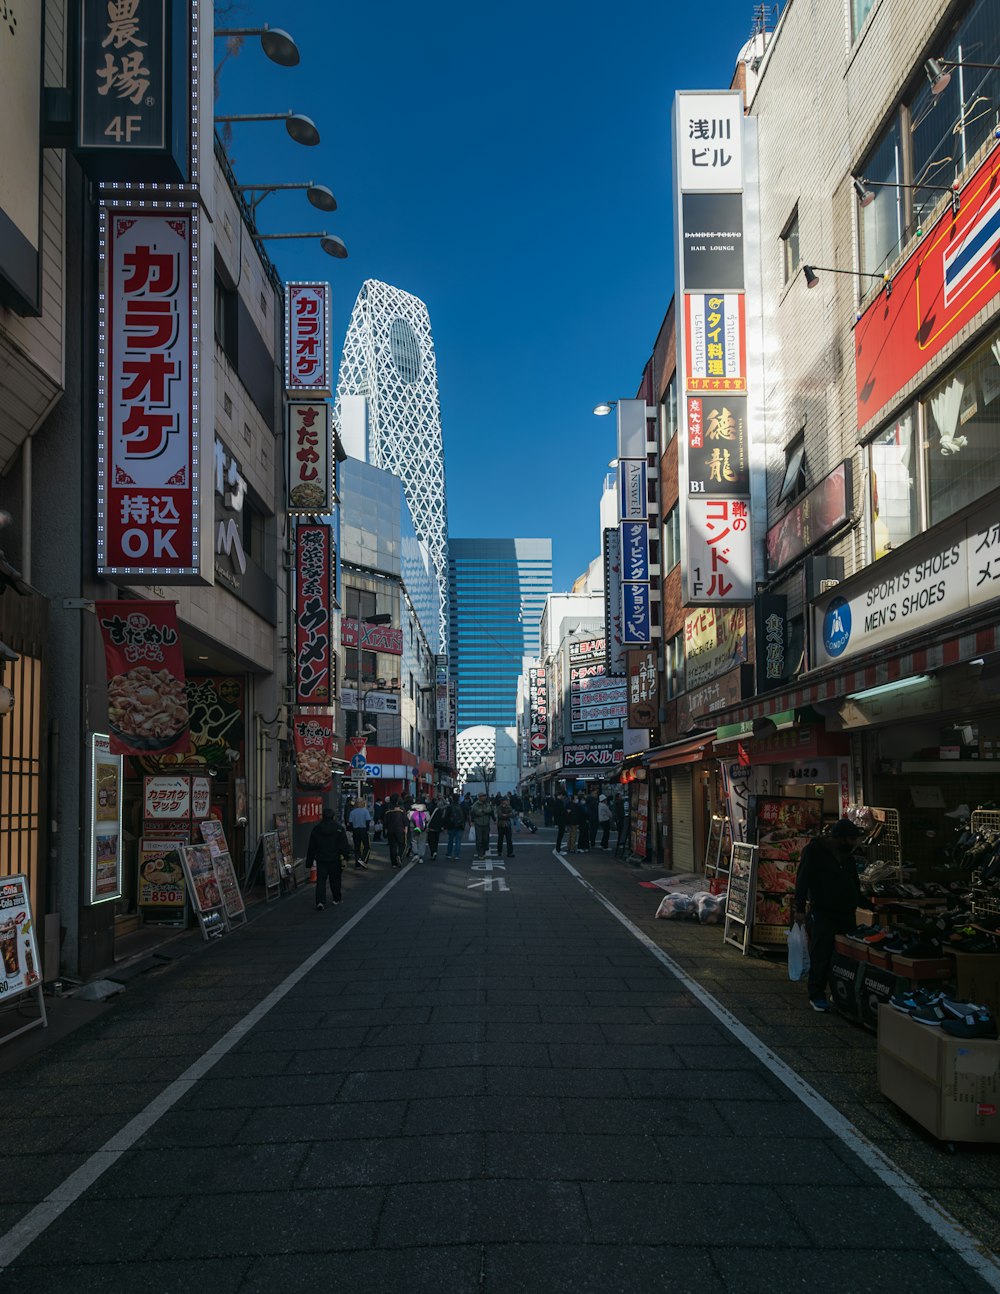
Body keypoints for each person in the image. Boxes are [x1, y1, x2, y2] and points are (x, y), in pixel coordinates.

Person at [794, 817, 865, 1012]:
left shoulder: (847, 856)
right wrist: (799, 908)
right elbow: (803, 879)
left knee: (844, 955)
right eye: (851, 839)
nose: (854, 843)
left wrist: (866, 903)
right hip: (822, 911)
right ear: (840, 838)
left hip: (846, 913)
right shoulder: (815, 851)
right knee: (821, 954)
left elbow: (854, 885)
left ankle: (839, 991)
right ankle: (816, 995)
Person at [306, 806, 352, 909]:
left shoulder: (317, 829)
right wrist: (345, 857)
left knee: (321, 881)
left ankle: (320, 901)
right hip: (335, 858)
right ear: (333, 817)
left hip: (321, 858)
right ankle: (336, 898)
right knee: (335, 880)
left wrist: (309, 862)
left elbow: (312, 846)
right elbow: (343, 845)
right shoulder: (339, 828)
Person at [384, 794, 409, 868]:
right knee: (403, 844)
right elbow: (405, 820)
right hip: (400, 829)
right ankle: (399, 856)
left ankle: (393, 863)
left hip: (390, 830)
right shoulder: (401, 810)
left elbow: (385, 822)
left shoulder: (388, 810)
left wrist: (385, 829)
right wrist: (406, 828)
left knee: (392, 847)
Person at [470, 792, 495, 859]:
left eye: (485, 796)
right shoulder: (475, 805)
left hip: (486, 823)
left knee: (486, 839)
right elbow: (477, 812)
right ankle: (480, 853)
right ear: (479, 797)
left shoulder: (487, 804)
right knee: (479, 839)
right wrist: (484, 811)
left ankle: (483, 851)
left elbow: (489, 810)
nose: (484, 797)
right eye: (483, 796)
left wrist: (482, 811)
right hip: (478, 823)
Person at [348, 799, 373, 863]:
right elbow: (368, 820)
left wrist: (352, 830)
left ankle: (357, 863)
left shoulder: (352, 812)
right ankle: (363, 860)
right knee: (367, 846)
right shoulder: (365, 811)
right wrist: (367, 829)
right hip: (363, 830)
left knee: (357, 848)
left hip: (355, 830)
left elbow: (350, 822)